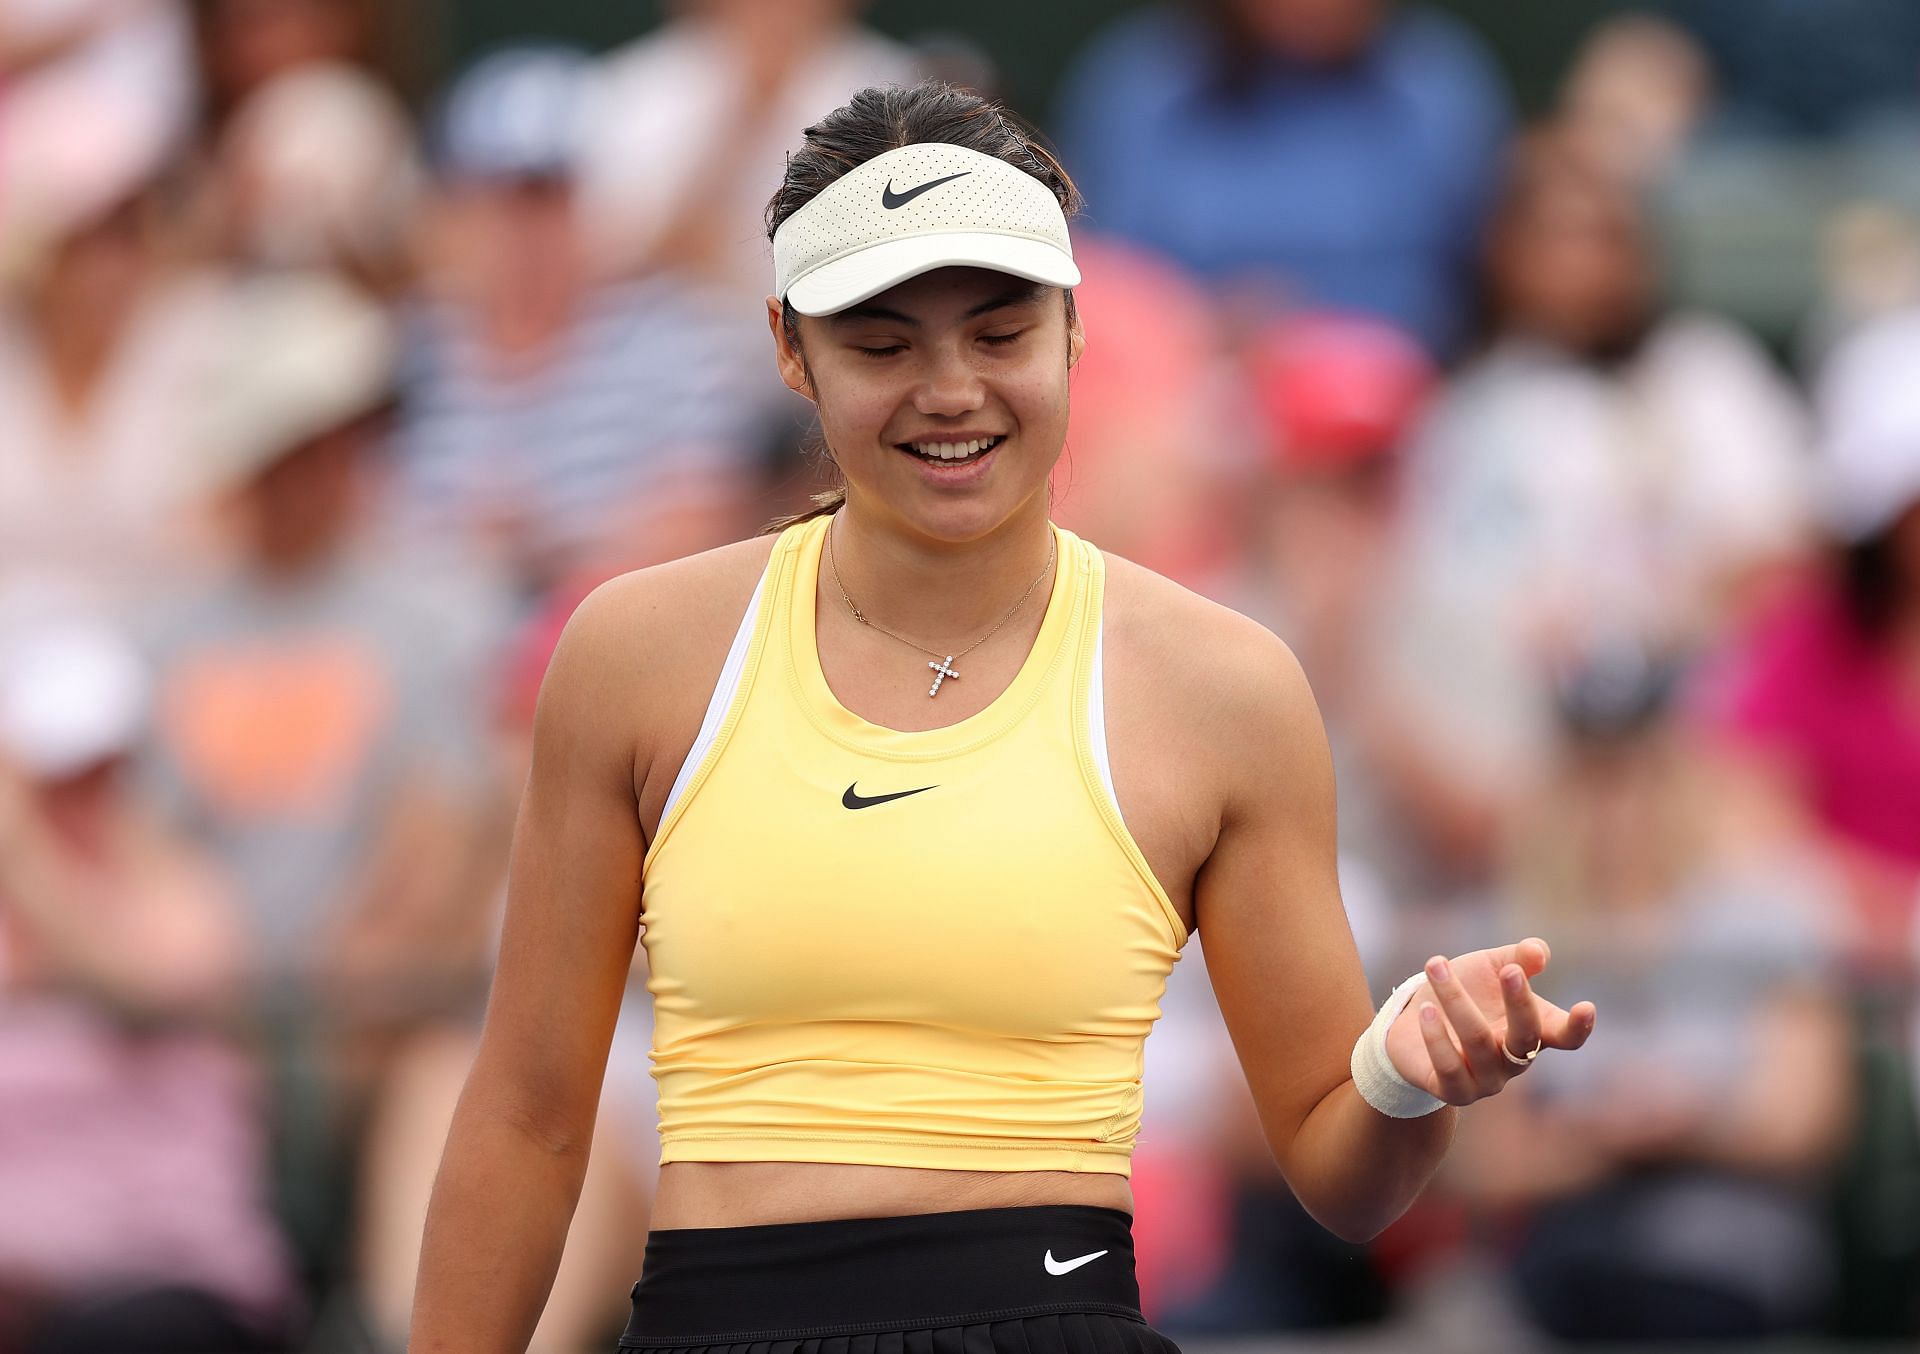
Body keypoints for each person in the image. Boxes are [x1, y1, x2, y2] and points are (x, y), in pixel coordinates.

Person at [408, 82, 1597, 1354]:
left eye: (999, 332)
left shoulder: (1222, 688)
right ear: (787, 349)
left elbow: (1338, 1166)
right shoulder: (633, 656)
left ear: (1076, 332)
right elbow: (528, 1118)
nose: (950, 390)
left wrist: (1412, 1073)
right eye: (882, 345)